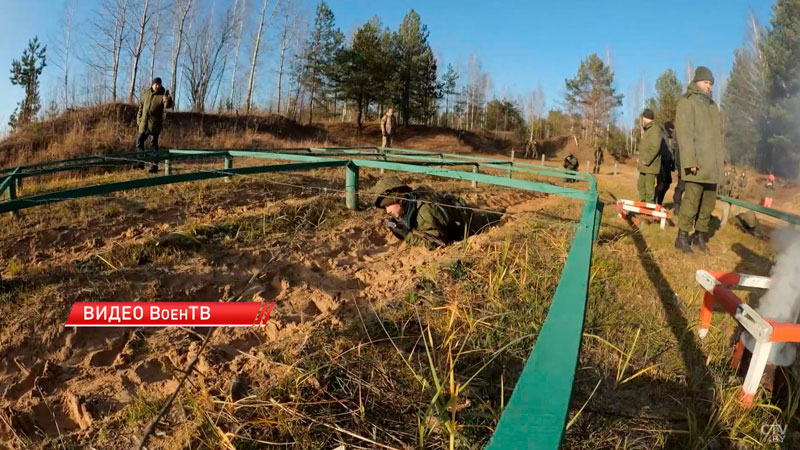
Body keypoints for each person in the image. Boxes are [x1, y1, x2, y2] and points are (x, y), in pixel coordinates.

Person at [674, 66, 725, 254]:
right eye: (706, 82)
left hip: (713, 165)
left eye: (711, 83)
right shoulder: (687, 102)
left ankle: (699, 236)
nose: (709, 86)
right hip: (696, 164)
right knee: (691, 201)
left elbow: (718, 139)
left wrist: (721, 163)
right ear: (696, 81)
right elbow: (685, 135)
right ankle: (682, 237)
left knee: (708, 204)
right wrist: (689, 161)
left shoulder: (713, 107)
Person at [371, 176, 502, 248]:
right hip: (455, 211)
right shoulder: (409, 202)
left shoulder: (424, 213)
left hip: (466, 222)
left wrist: (408, 236)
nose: (387, 210)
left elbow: (438, 242)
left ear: (400, 199)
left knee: (491, 218)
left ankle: (501, 212)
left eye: (388, 205)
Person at [137, 77, 174, 173]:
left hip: (154, 125)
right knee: (139, 142)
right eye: (156, 84)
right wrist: (139, 120)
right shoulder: (146, 94)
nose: (157, 86)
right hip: (144, 124)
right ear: (152, 84)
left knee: (153, 146)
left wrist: (168, 99)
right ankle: (140, 162)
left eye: (159, 84)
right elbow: (140, 107)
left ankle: (154, 166)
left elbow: (168, 105)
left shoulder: (162, 95)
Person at [637, 108, 662, 203]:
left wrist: (647, 160)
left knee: (649, 187)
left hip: (650, 165)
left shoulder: (655, 129)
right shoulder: (648, 130)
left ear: (645, 117)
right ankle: (642, 203)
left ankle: (649, 206)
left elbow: (655, 147)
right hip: (644, 165)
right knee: (641, 185)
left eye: (643, 117)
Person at [654, 124, 674, 205]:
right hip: (661, 163)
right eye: (671, 131)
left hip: (668, 164)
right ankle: (654, 201)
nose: (672, 133)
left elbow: (671, 152)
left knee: (667, 184)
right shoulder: (661, 136)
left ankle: (659, 203)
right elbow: (661, 151)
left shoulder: (669, 138)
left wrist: (673, 164)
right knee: (661, 184)